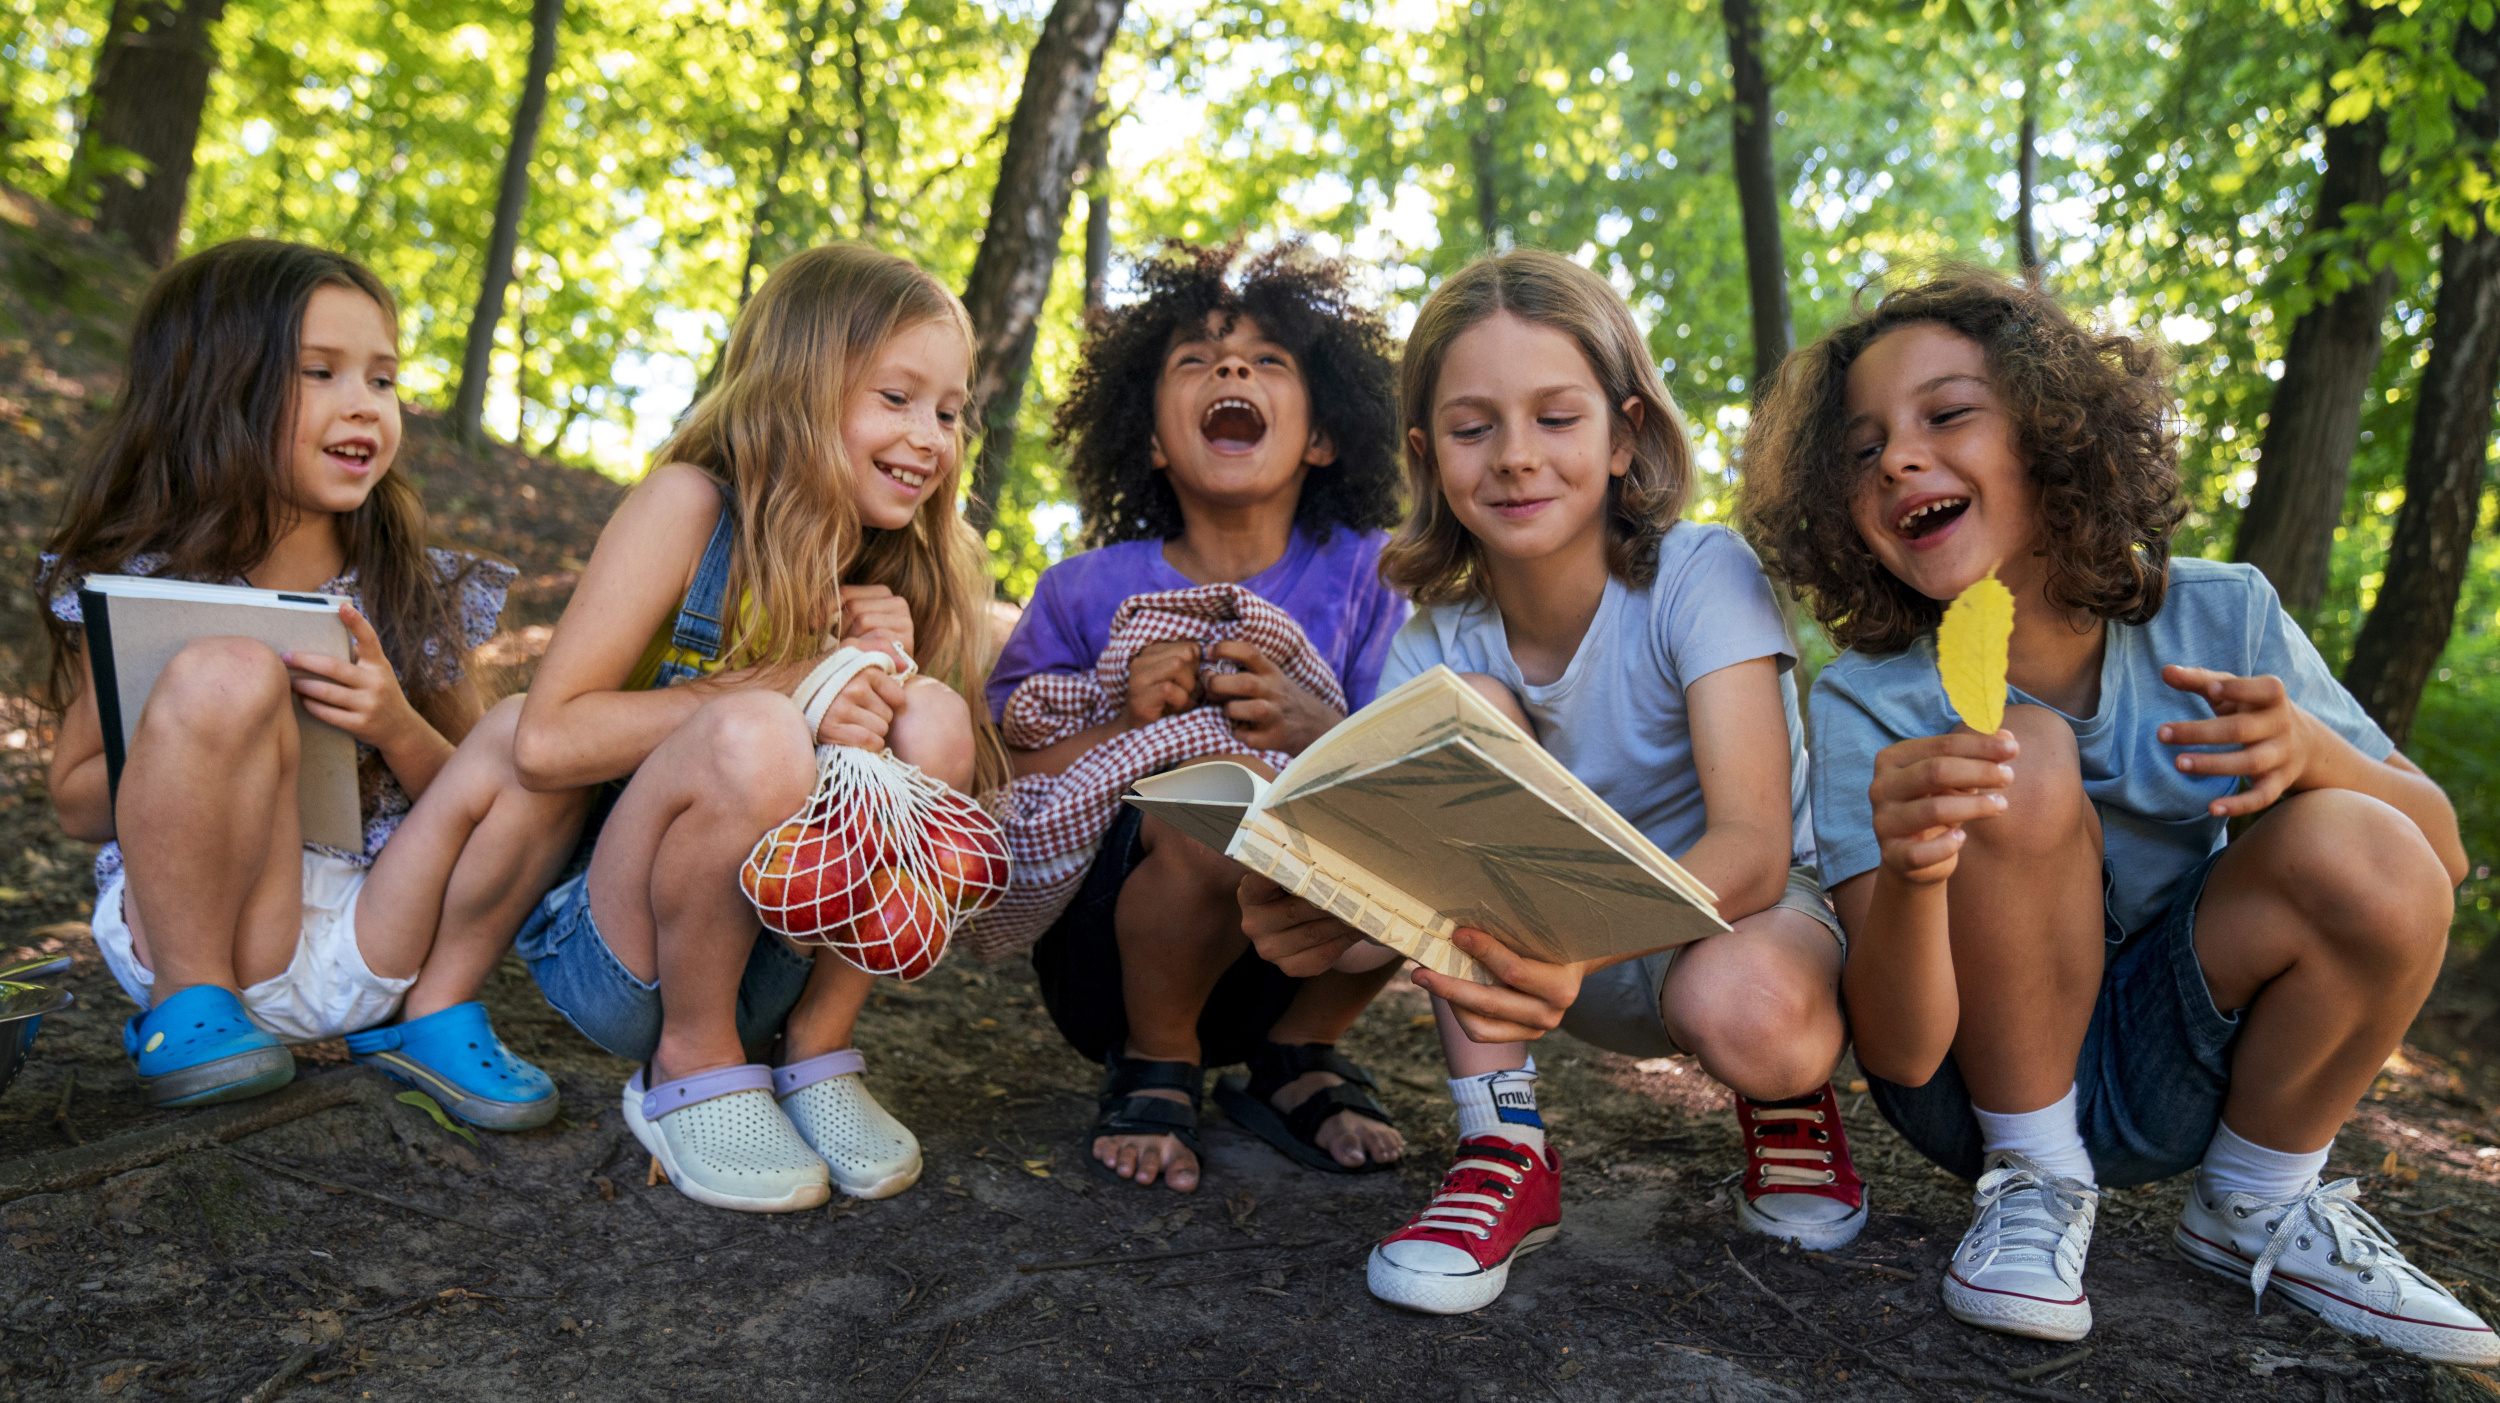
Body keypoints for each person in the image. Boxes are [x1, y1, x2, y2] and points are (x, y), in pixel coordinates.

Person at [1740, 267, 2496, 1364]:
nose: (1898, 455)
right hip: (1969, 1091)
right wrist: (1909, 874)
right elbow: (1899, 1053)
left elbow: (2438, 854)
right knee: (2022, 752)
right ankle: (2036, 1180)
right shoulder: (1871, 697)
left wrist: (2319, 755)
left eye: (1947, 413)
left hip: (2175, 1061)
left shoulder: (2223, 612)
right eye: (1862, 452)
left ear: (2055, 436)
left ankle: (2257, 1201)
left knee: (2364, 835)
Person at [1238, 248, 1865, 1314]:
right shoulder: (1437, 636)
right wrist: (1316, 913)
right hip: (1536, 955)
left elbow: (1755, 849)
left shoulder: (1698, 574)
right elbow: (1403, 894)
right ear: (1432, 456)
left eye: (1556, 418)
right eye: (1475, 428)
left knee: (1745, 1006)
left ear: (1624, 434)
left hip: (1732, 926)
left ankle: (1789, 1102)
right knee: (1463, 709)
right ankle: (1502, 1148)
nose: (1516, 457)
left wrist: (1556, 944)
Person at [39, 239, 575, 1127]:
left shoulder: (407, 584)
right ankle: (188, 1007)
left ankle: (436, 1012)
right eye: (321, 372)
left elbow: (479, 793)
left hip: (382, 935)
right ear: (215, 390)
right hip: (212, 926)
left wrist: (396, 724)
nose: (363, 405)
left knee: (535, 736)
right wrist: (208, 733)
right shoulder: (151, 586)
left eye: (383, 379)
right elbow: (73, 801)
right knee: (227, 668)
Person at [510, 244, 992, 1213]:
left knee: (933, 719)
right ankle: (688, 1061)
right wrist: (792, 679)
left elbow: (915, 801)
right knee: (757, 730)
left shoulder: (898, 566)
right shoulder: (689, 508)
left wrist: (874, 676)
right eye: (895, 397)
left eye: (948, 410)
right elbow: (547, 739)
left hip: (780, 958)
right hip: (623, 948)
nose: (930, 436)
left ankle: (814, 1047)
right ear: (801, 387)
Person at [987, 241, 1411, 1194]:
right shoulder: (1081, 590)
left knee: (1431, 833)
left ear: (1323, 435)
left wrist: (1312, 723)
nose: (1231, 370)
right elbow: (1002, 772)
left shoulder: (1373, 574)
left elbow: (1411, 762)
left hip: (1306, 952)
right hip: (1111, 951)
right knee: (1217, 802)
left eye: (1269, 361)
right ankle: (1158, 1057)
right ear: (1146, 438)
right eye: (1197, 360)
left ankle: (1299, 1053)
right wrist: (1128, 722)